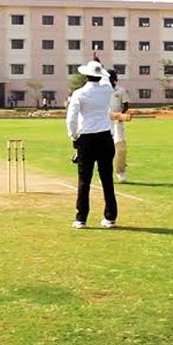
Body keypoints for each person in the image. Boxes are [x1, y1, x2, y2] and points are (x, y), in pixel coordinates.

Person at [66, 59, 117, 229]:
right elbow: (107, 77)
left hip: (86, 138)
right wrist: (100, 67)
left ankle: (81, 219)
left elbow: (71, 119)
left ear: (86, 75)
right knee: (107, 179)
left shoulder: (79, 93)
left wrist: (74, 137)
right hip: (104, 137)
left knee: (84, 180)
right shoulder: (107, 89)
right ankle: (110, 218)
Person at [109, 70, 130, 182]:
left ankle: (120, 171)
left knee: (120, 146)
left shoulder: (120, 90)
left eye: (111, 80)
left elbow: (125, 105)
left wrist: (120, 115)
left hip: (117, 121)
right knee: (105, 148)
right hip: (104, 121)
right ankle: (106, 171)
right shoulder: (102, 90)